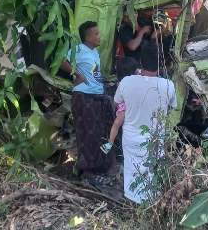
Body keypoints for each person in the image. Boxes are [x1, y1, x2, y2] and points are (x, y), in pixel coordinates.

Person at [107, 43, 177, 203]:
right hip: (155, 140)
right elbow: (171, 108)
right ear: (161, 63)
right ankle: (153, 203)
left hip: (131, 138)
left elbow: (117, 104)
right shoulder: (168, 85)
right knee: (153, 171)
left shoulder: (126, 82)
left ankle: (134, 203)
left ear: (140, 61)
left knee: (133, 172)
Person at [60, 21, 118, 185]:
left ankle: (105, 166)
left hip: (97, 97)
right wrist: (78, 75)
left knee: (103, 132)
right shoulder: (78, 49)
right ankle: (88, 172)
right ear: (88, 37)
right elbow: (60, 61)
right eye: (97, 34)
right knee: (88, 135)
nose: (100, 37)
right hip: (84, 97)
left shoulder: (94, 53)